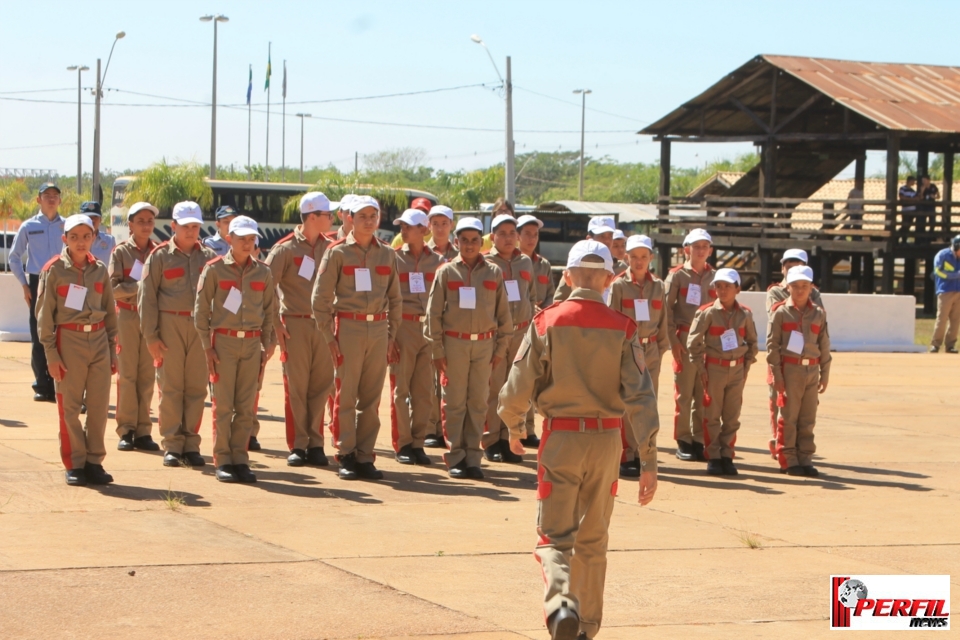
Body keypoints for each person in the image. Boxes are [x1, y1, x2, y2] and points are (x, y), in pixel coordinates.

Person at [497, 240, 659, 640]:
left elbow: (515, 389)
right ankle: (585, 626)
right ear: (608, 278)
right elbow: (641, 396)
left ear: (566, 277)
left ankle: (560, 603)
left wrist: (515, 428)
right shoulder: (623, 327)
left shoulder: (547, 321)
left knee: (554, 539)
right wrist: (649, 460)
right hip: (606, 444)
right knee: (593, 539)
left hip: (561, 440)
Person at [312, 195, 402, 481]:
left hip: (378, 328)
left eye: (372, 216)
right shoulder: (337, 252)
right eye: (361, 216)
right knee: (346, 394)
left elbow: (396, 298)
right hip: (348, 328)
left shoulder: (387, 253)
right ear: (350, 218)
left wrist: (391, 335)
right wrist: (329, 336)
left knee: (371, 397)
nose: (368, 221)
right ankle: (346, 453)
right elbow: (320, 299)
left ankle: (365, 455)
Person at [425, 217, 512, 479]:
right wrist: (437, 351)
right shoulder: (446, 272)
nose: (470, 245)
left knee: (477, 403)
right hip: (454, 344)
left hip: (484, 345)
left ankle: (473, 458)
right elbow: (433, 315)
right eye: (464, 240)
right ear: (456, 242)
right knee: (454, 403)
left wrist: (499, 350)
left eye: (475, 240)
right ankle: (455, 457)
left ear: (481, 242)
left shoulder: (493, 273)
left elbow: (504, 315)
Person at [36, 214, 118, 486]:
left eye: (86, 236)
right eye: (74, 237)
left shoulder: (100, 269)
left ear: (94, 237)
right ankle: (75, 463)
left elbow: (109, 312)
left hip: (98, 341)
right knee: (69, 406)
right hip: (68, 340)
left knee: (98, 405)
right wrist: (51, 355)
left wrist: (111, 350)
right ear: (65, 239)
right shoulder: (54, 270)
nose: (81, 242)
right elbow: (45, 317)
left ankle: (94, 461)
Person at [195, 216, 277, 483]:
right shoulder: (215, 270)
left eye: (251, 238)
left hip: (252, 343)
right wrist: (207, 348)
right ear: (228, 238)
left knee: (245, 406)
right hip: (224, 343)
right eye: (241, 238)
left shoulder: (263, 272)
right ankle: (223, 460)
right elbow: (201, 312)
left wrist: (265, 347)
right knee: (223, 405)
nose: (247, 243)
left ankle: (240, 459)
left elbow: (269, 313)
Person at [139, 201, 217, 469]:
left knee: (196, 388)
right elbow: (146, 299)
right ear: (173, 227)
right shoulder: (159, 256)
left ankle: (191, 444)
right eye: (186, 227)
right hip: (169, 327)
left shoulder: (208, 257)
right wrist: (151, 336)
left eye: (195, 226)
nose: (191, 232)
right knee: (171, 388)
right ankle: (172, 444)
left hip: (199, 329)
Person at [265, 192, 337, 466]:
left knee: (321, 385)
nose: (331, 219)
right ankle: (298, 444)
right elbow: (265, 287)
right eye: (327, 215)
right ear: (312, 217)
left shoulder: (332, 248)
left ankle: (315, 443)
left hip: (323, 326)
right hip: (294, 324)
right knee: (296, 387)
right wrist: (275, 324)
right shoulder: (284, 249)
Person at [608, 234, 669, 478]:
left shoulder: (658, 286)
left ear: (651, 258)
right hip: (627, 349)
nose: (639, 261)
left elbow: (663, 321)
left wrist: (662, 348)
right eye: (634, 257)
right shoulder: (618, 285)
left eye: (644, 256)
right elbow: (612, 319)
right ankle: (627, 454)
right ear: (626, 258)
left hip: (652, 350)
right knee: (626, 403)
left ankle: (645, 453)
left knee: (647, 402)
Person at [686, 268, 758, 476]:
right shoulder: (707, 312)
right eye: (718, 286)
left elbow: (753, 342)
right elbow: (694, 343)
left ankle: (727, 455)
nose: (722, 290)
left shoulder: (745, 314)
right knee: (712, 415)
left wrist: (745, 366)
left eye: (727, 286)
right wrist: (701, 368)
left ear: (738, 289)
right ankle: (714, 456)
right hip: (714, 369)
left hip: (736, 370)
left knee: (732, 416)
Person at [389, 208, 444, 465]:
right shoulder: (394, 259)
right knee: (401, 390)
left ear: (424, 230)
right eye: (402, 226)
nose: (403, 230)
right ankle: (402, 444)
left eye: (409, 226)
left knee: (425, 391)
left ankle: (418, 443)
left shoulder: (439, 261)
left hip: (428, 331)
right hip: (404, 328)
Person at [482, 213, 537, 463]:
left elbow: (531, 296)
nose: (507, 238)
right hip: (496, 335)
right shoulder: (485, 263)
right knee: (494, 389)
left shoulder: (525, 262)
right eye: (501, 233)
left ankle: (509, 440)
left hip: (521, 333)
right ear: (492, 237)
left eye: (511, 233)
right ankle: (492, 440)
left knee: (516, 389)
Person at [767, 265, 831, 476]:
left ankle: (805, 458)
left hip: (811, 371)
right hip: (790, 370)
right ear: (788, 288)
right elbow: (772, 346)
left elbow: (824, 345)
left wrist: (825, 373)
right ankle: (788, 459)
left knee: (808, 418)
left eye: (805, 286)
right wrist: (777, 374)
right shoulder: (780, 313)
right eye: (795, 286)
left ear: (812, 288)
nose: (800, 290)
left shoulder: (818, 314)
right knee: (788, 417)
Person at [109, 201, 160, 452]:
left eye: (149, 221)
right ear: (130, 225)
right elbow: (112, 290)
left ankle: (143, 430)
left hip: (150, 319)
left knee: (147, 376)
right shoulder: (120, 253)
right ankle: (126, 429)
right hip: (128, 318)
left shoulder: (159, 253)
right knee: (127, 375)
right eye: (140, 221)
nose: (146, 225)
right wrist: (139, 289)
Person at [9, 182, 65, 402]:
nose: (51, 199)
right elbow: (14, 257)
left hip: (63, 280)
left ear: (60, 200)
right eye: (47, 195)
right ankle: (42, 384)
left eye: (55, 195)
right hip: (37, 282)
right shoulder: (28, 226)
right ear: (38, 200)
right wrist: (25, 285)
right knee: (40, 333)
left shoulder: (68, 226)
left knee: (63, 331)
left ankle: (62, 380)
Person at [664, 228, 716, 462]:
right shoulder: (677, 276)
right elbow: (666, 310)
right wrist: (673, 341)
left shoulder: (715, 277)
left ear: (710, 251)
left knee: (703, 391)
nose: (701, 251)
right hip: (685, 338)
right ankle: (683, 439)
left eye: (705, 247)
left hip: (707, 340)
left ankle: (699, 439)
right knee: (684, 393)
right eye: (696, 247)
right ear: (687, 250)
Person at [517, 214, 555, 446]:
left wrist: (545, 313)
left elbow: (550, 294)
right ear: (517, 235)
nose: (531, 239)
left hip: (539, 326)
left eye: (535, 234)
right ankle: (513, 427)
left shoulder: (544, 264)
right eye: (527, 234)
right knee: (515, 380)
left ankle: (529, 429)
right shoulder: (510, 263)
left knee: (534, 377)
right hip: (516, 326)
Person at [423, 204, 459, 449]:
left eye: (444, 223)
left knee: (448, 379)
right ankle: (430, 428)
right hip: (430, 323)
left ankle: (448, 430)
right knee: (428, 379)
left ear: (451, 225)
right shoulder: (422, 254)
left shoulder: (461, 254)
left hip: (455, 325)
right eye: (435, 223)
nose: (439, 228)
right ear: (429, 226)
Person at [553, 216, 627, 302]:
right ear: (589, 238)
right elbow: (559, 301)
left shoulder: (621, 268)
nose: (607, 241)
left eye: (610, 236)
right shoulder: (577, 267)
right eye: (602, 236)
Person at [929, 235, 960, 353]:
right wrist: (956, 275)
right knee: (941, 318)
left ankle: (950, 346)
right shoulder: (942, 255)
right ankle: (935, 345)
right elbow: (938, 272)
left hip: (959, 292)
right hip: (945, 291)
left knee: (956, 320)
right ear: (957, 247)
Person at [917, 174, 939, 240]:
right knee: (922, 221)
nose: (923, 182)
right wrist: (922, 191)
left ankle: (931, 234)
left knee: (932, 221)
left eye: (924, 180)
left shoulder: (933, 186)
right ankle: (922, 237)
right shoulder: (921, 187)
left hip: (931, 206)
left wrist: (934, 197)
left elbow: (938, 196)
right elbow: (920, 197)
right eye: (922, 181)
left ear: (928, 180)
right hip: (923, 207)